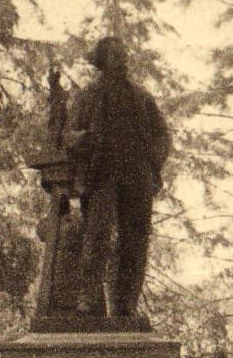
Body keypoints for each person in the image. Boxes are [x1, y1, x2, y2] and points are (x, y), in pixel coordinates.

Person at [64, 36, 171, 318]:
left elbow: (162, 135)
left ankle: (126, 305)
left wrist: (152, 164)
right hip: (102, 176)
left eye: (124, 55)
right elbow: (69, 136)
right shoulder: (88, 96)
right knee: (97, 236)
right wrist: (83, 140)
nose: (123, 60)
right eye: (116, 56)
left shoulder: (142, 97)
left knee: (134, 241)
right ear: (102, 62)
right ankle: (88, 299)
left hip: (137, 177)